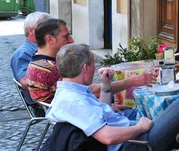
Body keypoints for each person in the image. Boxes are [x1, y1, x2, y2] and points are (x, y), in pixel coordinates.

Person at [45, 43, 179, 151]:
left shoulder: (69, 92)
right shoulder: (75, 101)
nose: (94, 68)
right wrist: (139, 128)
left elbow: (100, 114)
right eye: (93, 64)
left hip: (121, 144)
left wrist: (105, 86)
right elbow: (107, 137)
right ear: (85, 68)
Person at [26, 18, 154, 104]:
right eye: (65, 36)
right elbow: (93, 91)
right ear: (50, 39)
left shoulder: (37, 61)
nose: (71, 40)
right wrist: (133, 81)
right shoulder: (52, 69)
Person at [10, 12, 51, 112]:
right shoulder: (23, 54)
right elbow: (25, 82)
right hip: (40, 103)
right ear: (31, 31)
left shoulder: (46, 49)